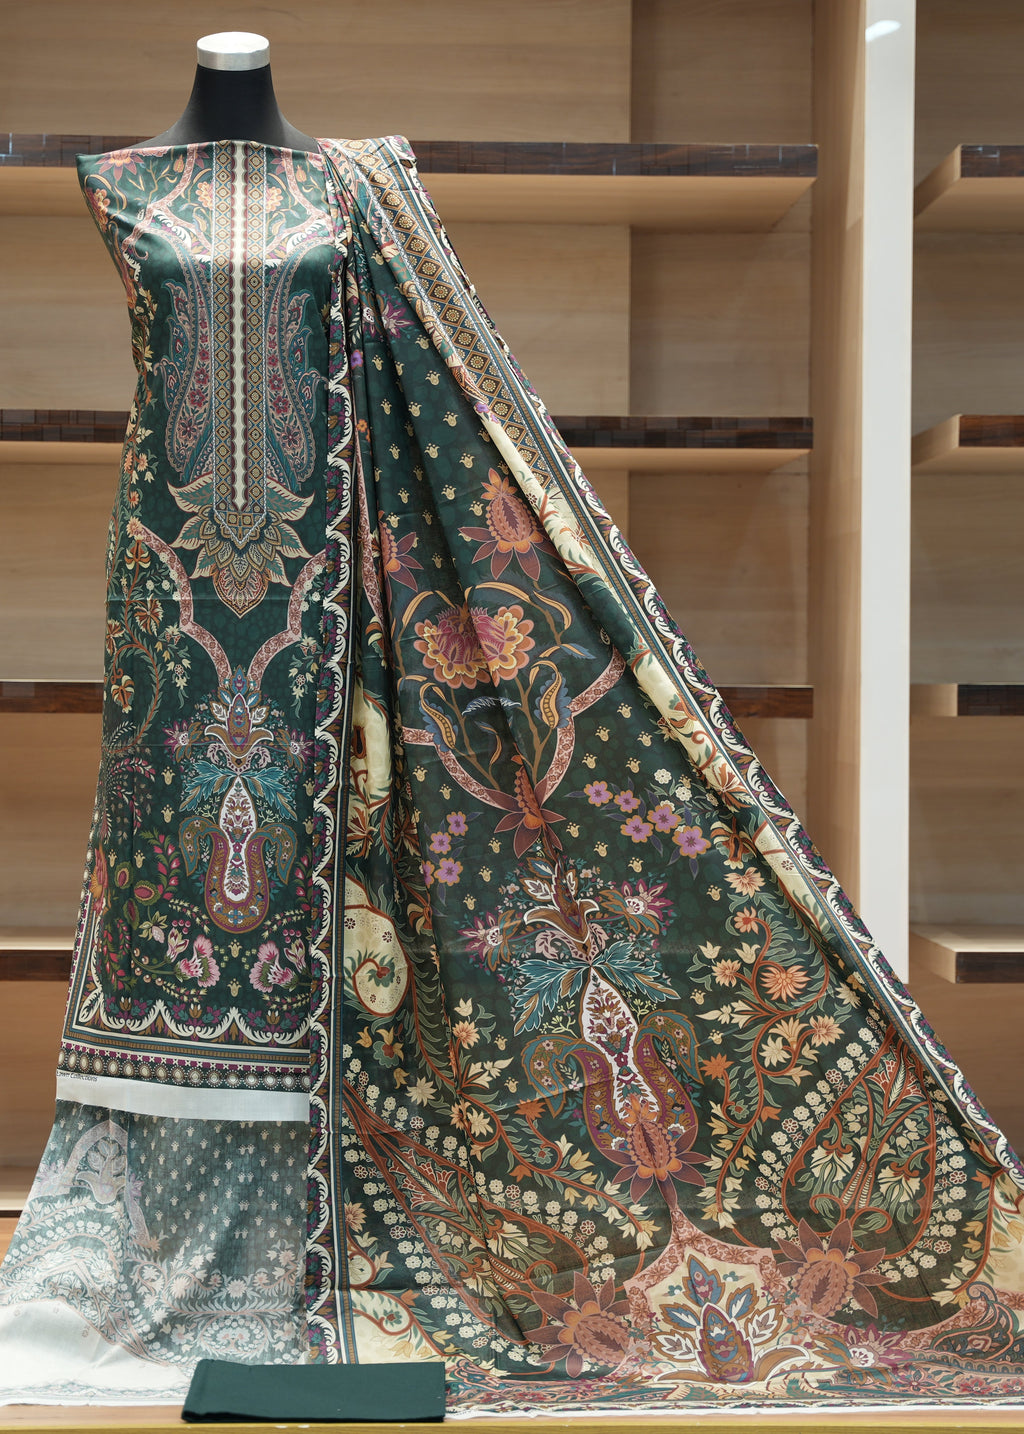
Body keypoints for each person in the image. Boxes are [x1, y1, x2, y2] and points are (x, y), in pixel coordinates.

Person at [2, 30, 1024, 1416]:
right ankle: (154, 1228)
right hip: (175, 625)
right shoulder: (120, 182)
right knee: (168, 885)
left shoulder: (358, 189)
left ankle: (343, 1255)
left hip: (341, 597)